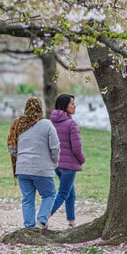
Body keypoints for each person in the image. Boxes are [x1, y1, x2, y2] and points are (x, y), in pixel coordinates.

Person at [7, 96, 60, 229]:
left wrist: (21, 157)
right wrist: (53, 162)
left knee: (27, 199)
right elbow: (55, 147)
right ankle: (42, 221)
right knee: (49, 194)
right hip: (42, 168)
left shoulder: (18, 124)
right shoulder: (47, 124)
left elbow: (11, 147)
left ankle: (29, 226)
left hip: (22, 169)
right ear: (40, 108)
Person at [49, 94, 86, 228]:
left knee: (71, 193)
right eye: (72, 103)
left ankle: (71, 221)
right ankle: (44, 216)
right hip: (69, 165)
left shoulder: (50, 122)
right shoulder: (71, 124)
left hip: (56, 164)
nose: (74, 106)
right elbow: (77, 148)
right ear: (65, 106)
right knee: (63, 193)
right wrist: (82, 159)